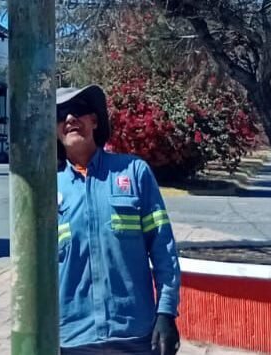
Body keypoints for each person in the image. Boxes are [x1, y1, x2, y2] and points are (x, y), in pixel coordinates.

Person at [56, 84, 181, 354]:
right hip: (73, 339)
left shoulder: (134, 173)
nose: (69, 119)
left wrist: (167, 312)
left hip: (134, 336)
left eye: (77, 110)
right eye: (61, 113)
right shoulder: (45, 189)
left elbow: (163, 248)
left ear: (95, 121)